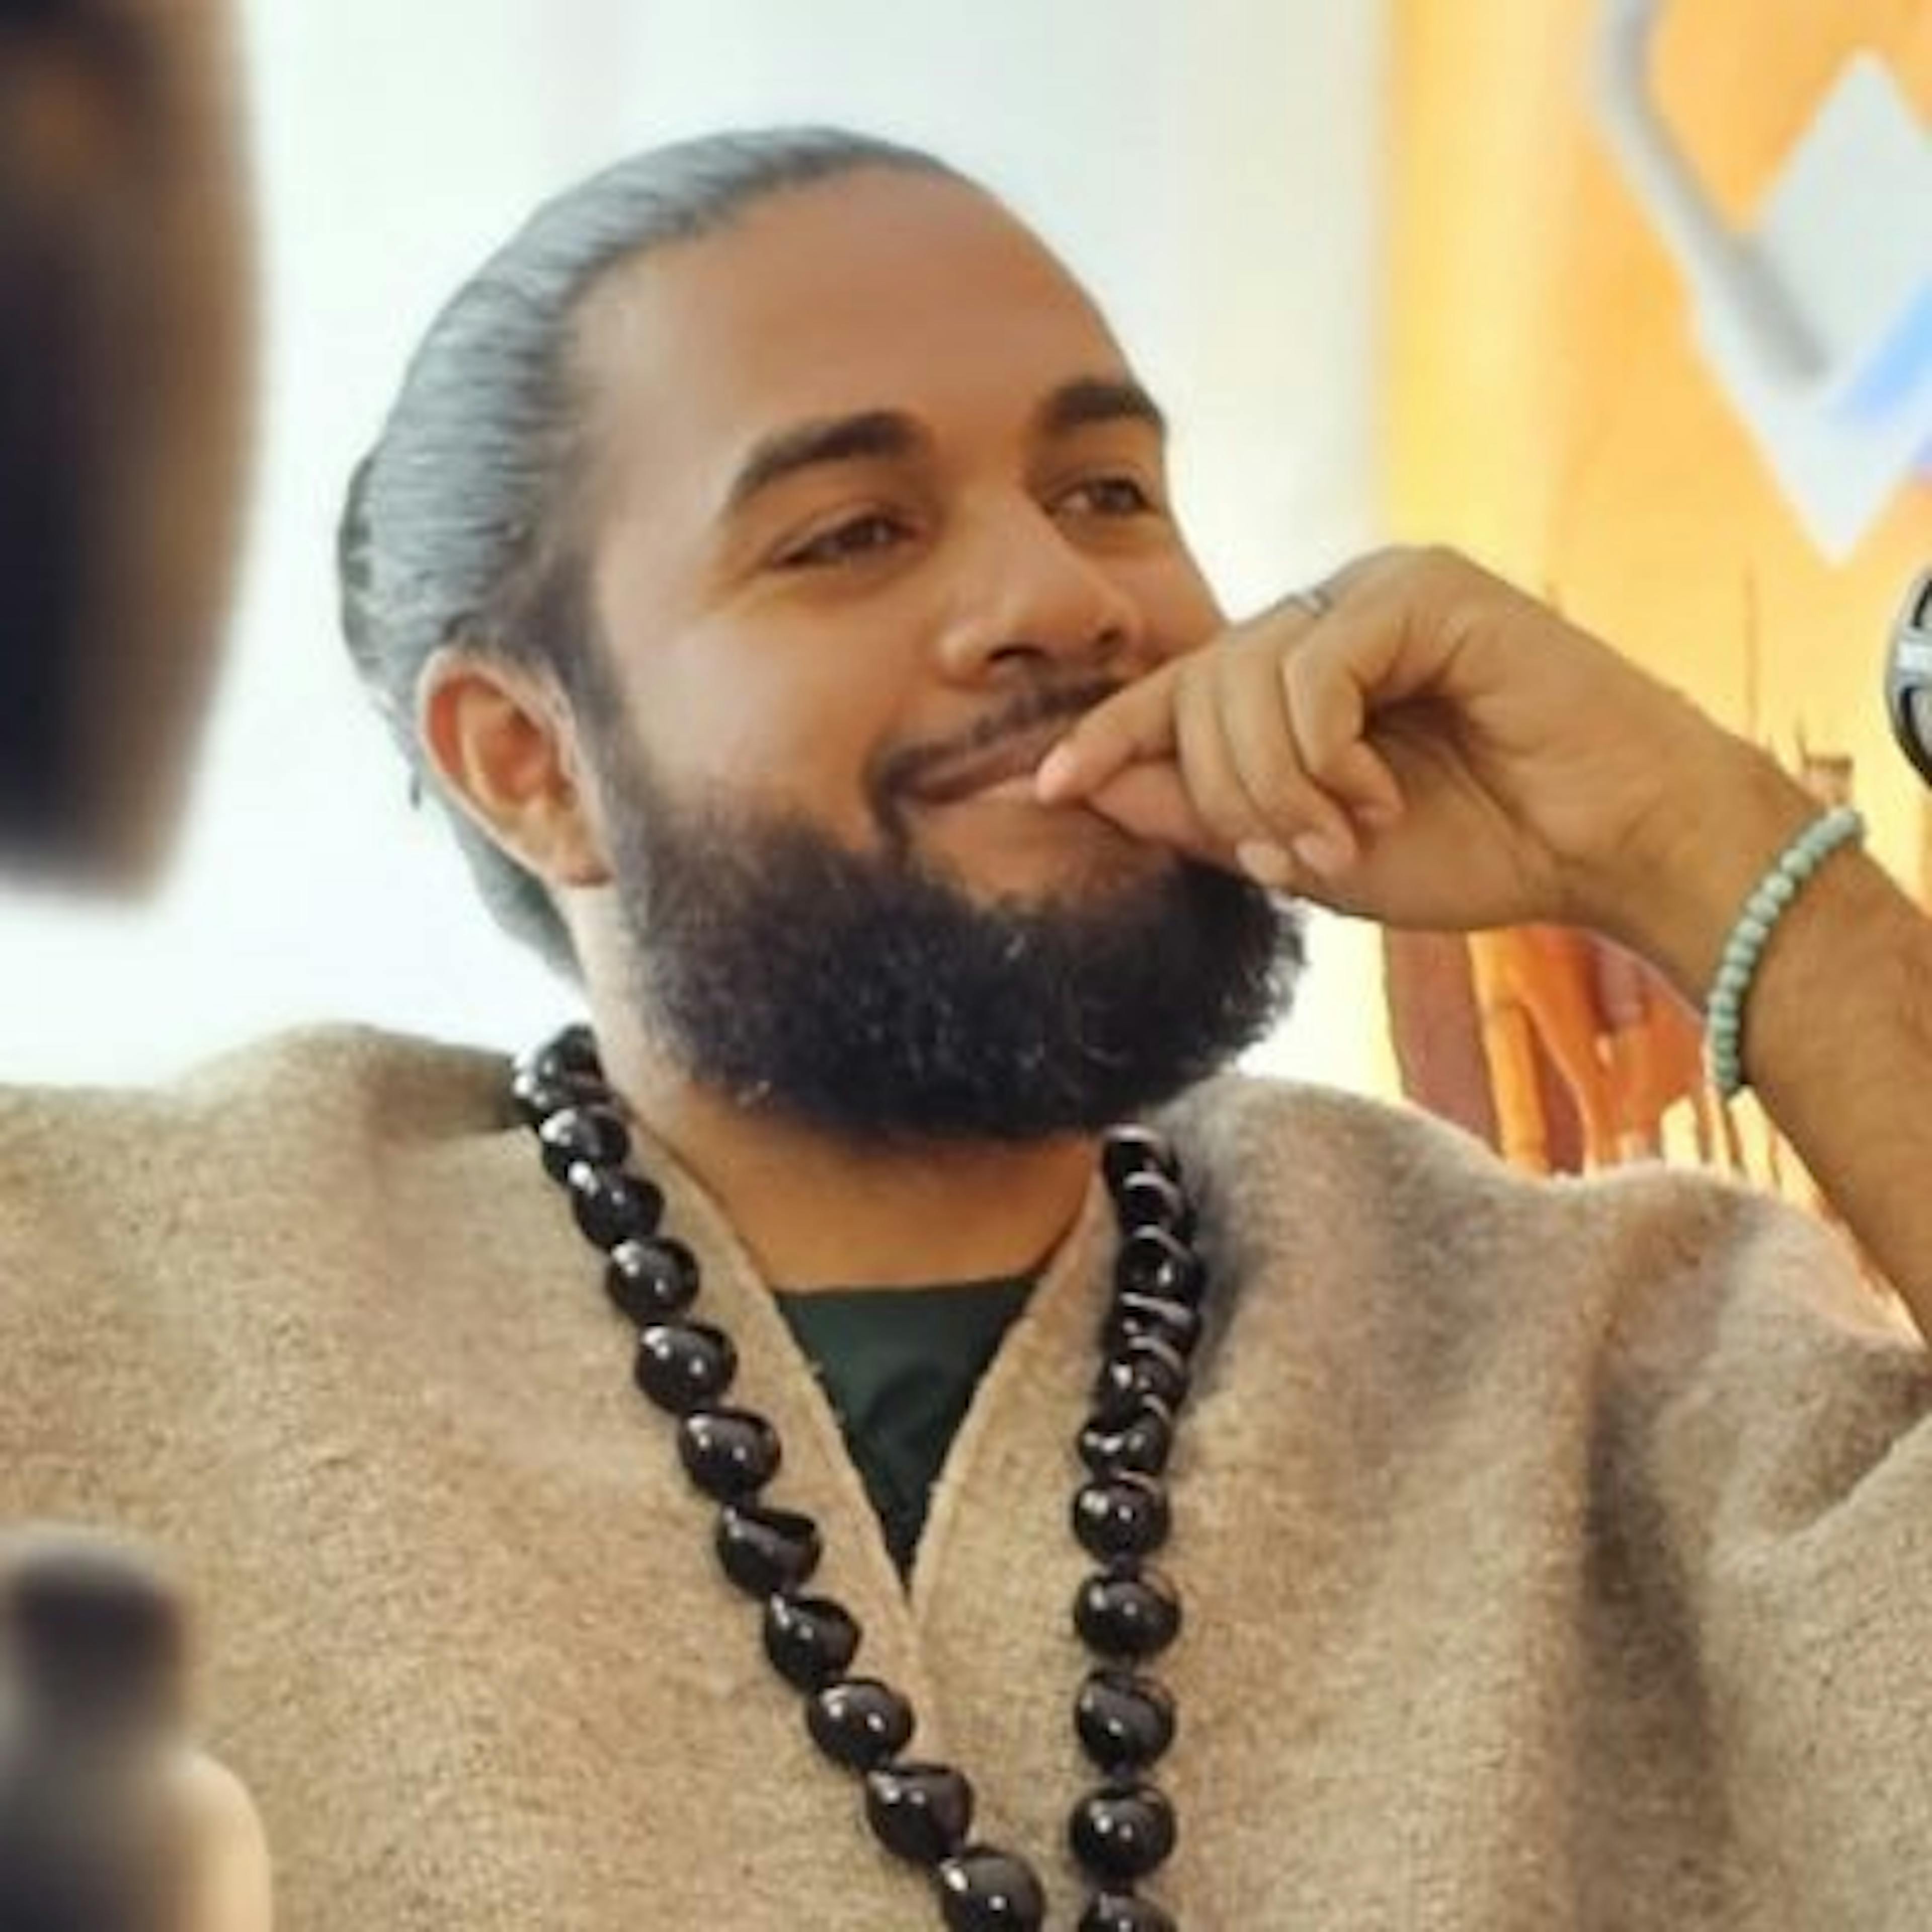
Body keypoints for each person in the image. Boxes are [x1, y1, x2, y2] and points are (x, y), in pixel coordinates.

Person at [3, 126, 1930, 1930]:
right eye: (851, 532)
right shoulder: (122, 1294)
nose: (1061, 598)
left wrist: (1699, 843)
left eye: (1108, 493)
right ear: (531, 763)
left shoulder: (1616, 1346)